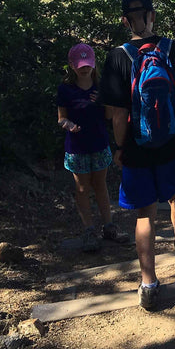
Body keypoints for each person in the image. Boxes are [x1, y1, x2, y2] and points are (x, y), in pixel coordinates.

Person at [100, 0, 175, 311]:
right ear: (153, 16)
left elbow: (119, 114)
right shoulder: (174, 50)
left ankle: (148, 283)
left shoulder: (117, 57)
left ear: (125, 21)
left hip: (137, 149)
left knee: (144, 214)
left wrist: (121, 148)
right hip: (171, 143)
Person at [57, 43, 128, 252]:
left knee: (100, 185)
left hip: (99, 143)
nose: (84, 68)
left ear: (93, 63)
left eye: (87, 64)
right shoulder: (65, 89)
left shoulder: (101, 86)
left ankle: (109, 227)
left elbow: (108, 116)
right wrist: (68, 125)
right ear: (72, 65)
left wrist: (104, 101)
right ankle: (89, 230)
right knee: (82, 189)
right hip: (76, 147)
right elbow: (61, 118)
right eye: (80, 65)